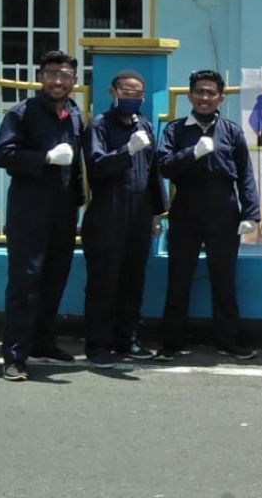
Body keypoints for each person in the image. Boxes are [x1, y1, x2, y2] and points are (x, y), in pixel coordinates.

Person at [0, 50, 85, 381]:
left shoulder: (74, 113)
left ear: (75, 80)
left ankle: (43, 342)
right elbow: (1, 155)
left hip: (63, 211)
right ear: (40, 77)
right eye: (51, 74)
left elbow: (76, 165)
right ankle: (14, 354)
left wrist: (80, 201)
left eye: (65, 75)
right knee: (25, 280)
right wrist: (44, 158)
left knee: (55, 276)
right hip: (29, 210)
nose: (58, 81)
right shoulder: (22, 112)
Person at [156, 69, 261, 361]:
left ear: (221, 98)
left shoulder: (231, 131)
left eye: (211, 93)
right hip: (186, 207)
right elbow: (164, 166)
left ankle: (228, 340)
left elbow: (245, 176)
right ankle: (172, 341)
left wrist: (249, 212)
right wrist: (192, 153)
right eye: (199, 92)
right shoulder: (175, 131)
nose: (204, 98)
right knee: (179, 277)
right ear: (189, 95)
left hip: (223, 208)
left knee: (224, 278)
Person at [80, 69, 168, 367]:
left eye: (138, 93)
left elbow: (153, 168)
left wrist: (158, 211)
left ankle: (127, 339)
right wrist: (126, 150)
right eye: (127, 92)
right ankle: (98, 346)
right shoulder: (99, 125)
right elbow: (96, 167)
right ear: (112, 93)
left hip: (139, 215)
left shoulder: (143, 123)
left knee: (133, 279)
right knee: (104, 282)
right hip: (108, 214)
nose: (133, 97)